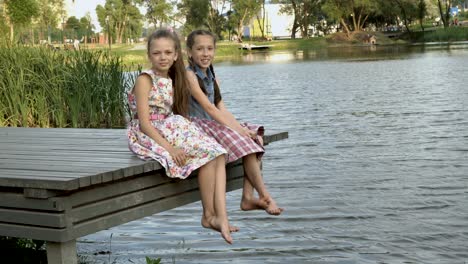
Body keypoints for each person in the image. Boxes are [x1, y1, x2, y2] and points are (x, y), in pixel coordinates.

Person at [126, 29, 236, 244]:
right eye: (157, 53)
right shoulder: (144, 80)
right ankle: (209, 215)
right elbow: (144, 123)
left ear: (176, 55)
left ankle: (216, 215)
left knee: (218, 153)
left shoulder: (173, 78)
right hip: (149, 131)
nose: (163, 57)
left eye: (168, 52)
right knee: (207, 155)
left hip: (170, 124)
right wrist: (170, 149)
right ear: (149, 55)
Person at [185, 29, 284, 216]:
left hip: (213, 123)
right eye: (200, 49)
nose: (205, 53)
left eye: (210, 48)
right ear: (189, 52)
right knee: (243, 137)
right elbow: (210, 109)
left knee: (254, 137)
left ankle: (248, 197)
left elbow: (221, 107)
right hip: (198, 127)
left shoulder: (212, 75)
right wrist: (238, 130)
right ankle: (265, 195)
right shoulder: (190, 75)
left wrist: (240, 128)